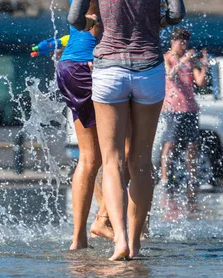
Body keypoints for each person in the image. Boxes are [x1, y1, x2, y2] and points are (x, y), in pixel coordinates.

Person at [69, 0, 185, 260]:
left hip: (109, 69)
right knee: (141, 161)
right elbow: (177, 14)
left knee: (112, 161)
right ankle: (134, 243)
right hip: (149, 69)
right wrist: (159, 22)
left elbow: (75, 19)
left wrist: (93, 24)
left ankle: (119, 238)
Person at [58, 0, 114, 250]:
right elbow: (94, 20)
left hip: (70, 65)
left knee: (90, 157)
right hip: (91, 64)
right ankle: (102, 220)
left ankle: (79, 238)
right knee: (125, 152)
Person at [160, 27, 208, 195]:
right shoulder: (167, 58)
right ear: (173, 42)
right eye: (181, 41)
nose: (184, 45)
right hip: (173, 108)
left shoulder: (190, 61)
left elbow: (201, 82)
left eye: (186, 41)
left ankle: (192, 177)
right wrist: (183, 59)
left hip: (190, 107)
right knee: (170, 142)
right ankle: (165, 178)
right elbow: (170, 75)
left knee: (193, 144)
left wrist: (204, 66)